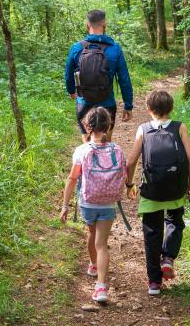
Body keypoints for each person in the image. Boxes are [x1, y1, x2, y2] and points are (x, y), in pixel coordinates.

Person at [126, 90, 190, 296]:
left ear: (148, 109)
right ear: (171, 108)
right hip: (175, 187)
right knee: (175, 221)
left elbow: (131, 161)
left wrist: (129, 184)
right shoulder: (179, 127)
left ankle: (154, 282)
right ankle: (168, 258)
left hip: (152, 190)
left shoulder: (143, 129)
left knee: (151, 233)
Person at [60, 107, 129, 303]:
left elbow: (72, 179)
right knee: (102, 244)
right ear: (108, 126)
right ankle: (101, 287)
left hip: (88, 202)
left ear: (87, 126)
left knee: (92, 235)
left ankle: (93, 264)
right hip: (108, 203)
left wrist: (65, 206)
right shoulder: (117, 150)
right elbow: (123, 176)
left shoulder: (82, 151)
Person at [65, 9, 133, 143]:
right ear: (104, 24)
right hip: (107, 103)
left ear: (87, 24)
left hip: (84, 102)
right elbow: (124, 80)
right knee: (105, 143)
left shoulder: (77, 47)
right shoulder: (115, 48)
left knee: (87, 146)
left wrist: (71, 91)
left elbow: (68, 74)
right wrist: (128, 105)